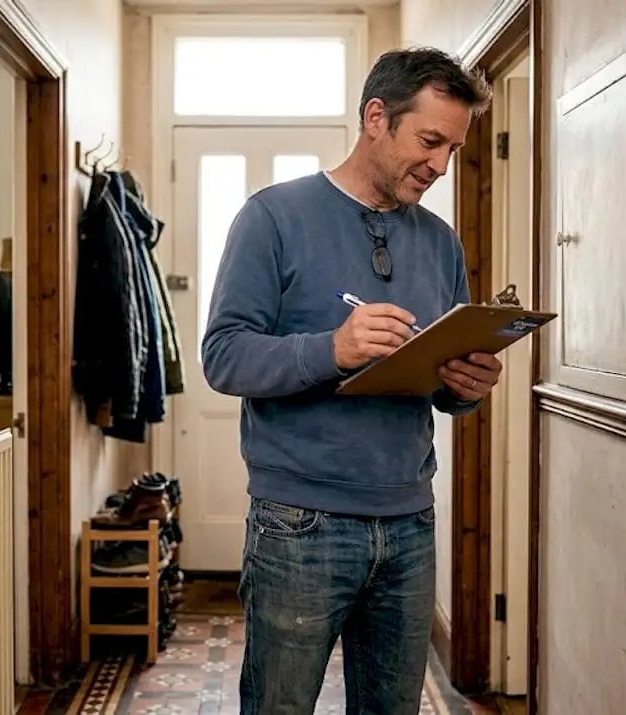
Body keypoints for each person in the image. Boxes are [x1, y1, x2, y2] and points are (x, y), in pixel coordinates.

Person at [201, 47, 502, 714]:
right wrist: (334, 348)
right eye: (429, 141)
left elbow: (443, 388)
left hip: (410, 524)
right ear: (376, 117)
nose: (440, 166)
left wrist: (467, 385)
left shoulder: (441, 241)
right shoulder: (272, 218)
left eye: (453, 148)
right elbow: (223, 356)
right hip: (298, 526)